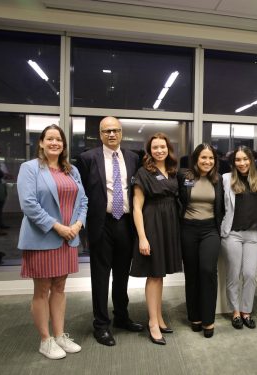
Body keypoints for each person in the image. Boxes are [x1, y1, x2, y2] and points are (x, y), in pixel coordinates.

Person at [17, 124, 87, 359]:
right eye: (50, 139)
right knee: (42, 290)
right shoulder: (30, 168)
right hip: (43, 238)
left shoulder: (72, 170)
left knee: (59, 288)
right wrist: (58, 227)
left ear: (64, 145)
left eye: (59, 139)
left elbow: (83, 201)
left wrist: (77, 226)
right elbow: (28, 204)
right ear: (41, 142)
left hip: (68, 239)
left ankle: (59, 336)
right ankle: (45, 340)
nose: (55, 143)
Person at [76, 116, 144, 347]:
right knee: (100, 276)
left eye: (115, 130)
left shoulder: (134, 158)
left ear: (122, 132)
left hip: (125, 223)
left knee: (122, 275)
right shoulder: (87, 158)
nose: (112, 134)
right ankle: (101, 325)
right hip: (101, 224)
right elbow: (82, 194)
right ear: (100, 134)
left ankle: (122, 317)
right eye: (107, 131)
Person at [130, 133, 182, 345]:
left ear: (168, 149)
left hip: (169, 225)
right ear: (149, 151)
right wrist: (142, 237)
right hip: (152, 225)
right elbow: (136, 207)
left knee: (160, 274)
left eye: (163, 147)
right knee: (153, 275)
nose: (159, 150)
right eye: (155, 147)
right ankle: (152, 322)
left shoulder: (171, 171)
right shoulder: (144, 172)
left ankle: (159, 317)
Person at [178, 144, 224, 338]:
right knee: (192, 273)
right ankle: (194, 316)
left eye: (211, 158)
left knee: (207, 271)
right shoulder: (184, 177)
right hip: (188, 229)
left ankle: (208, 319)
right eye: (203, 158)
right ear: (196, 159)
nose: (207, 162)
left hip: (210, 230)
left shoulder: (218, 179)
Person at [220, 146, 257, 330]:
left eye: (245, 159)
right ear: (233, 163)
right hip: (233, 234)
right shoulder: (225, 179)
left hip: (253, 234)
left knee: (250, 274)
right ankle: (236, 312)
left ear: (251, 160)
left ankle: (247, 311)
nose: (242, 163)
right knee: (233, 274)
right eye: (238, 160)